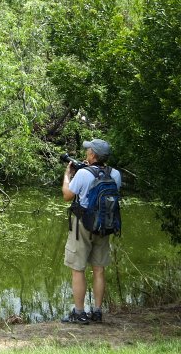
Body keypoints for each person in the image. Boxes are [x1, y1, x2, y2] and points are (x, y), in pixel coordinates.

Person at [61, 138, 122, 324]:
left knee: (78, 269)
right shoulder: (115, 174)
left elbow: (67, 195)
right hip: (104, 225)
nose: (86, 153)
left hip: (82, 225)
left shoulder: (82, 174)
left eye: (88, 151)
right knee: (99, 270)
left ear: (93, 155)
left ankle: (79, 313)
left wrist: (67, 175)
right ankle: (97, 311)